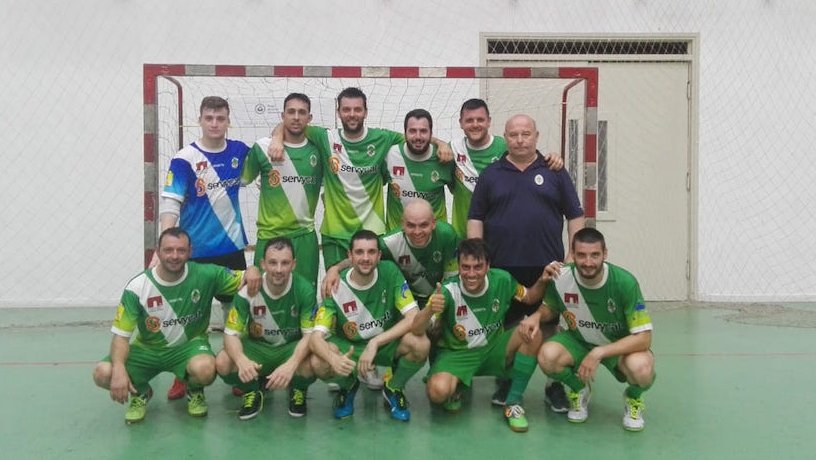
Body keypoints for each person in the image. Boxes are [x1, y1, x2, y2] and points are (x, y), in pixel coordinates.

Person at [468, 113, 584, 409]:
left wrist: (572, 257)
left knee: (549, 328)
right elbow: (475, 218)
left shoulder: (555, 171)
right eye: (513, 134)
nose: (520, 139)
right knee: (507, 328)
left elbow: (575, 216)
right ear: (504, 138)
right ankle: (506, 380)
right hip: (502, 269)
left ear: (536, 136)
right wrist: (479, 259)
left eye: (526, 134)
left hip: (549, 269)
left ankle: (555, 384)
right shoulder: (491, 174)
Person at [267, 87, 453, 270]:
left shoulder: (383, 138)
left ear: (365, 112)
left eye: (357, 109)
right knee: (335, 289)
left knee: (370, 290)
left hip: (372, 234)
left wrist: (441, 143)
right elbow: (291, 125)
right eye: (346, 109)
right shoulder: (326, 137)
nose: (352, 114)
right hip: (335, 233)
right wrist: (276, 138)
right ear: (338, 112)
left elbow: (415, 137)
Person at [157, 96, 260, 400]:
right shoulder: (184, 159)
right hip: (195, 253)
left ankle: (241, 371)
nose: (215, 124)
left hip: (231, 249)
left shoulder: (240, 153)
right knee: (189, 319)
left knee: (238, 315)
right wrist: (165, 245)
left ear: (228, 121)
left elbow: (266, 158)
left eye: (221, 118)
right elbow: (170, 203)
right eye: (209, 118)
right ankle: (183, 375)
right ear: (200, 120)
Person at [92, 228, 246, 424]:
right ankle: (141, 393)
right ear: (158, 251)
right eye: (168, 250)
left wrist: (254, 270)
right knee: (103, 373)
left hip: (189, 347)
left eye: (181, 250)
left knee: (205, 370)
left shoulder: (206, 274)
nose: (175, 256)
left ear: (190, 251)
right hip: (148, 349)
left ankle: (195, 389)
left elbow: (247, 277)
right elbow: (121, 336)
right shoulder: (137, 287)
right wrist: (120, 369)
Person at [412, 238, 557, 433]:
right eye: (466, 267)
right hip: (457, 355)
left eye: (478, 267)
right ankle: (456, 388)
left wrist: (542, 279)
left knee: (532, 333)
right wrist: (429, 310)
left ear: (488, 266)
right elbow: (417, 329)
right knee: (437, 392)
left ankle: (513, 403)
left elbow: (529, 296)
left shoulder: (503, 280)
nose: (471, 274)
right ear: (459, 266)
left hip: (493, 349)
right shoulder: (446, 290)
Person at [519, 228, 656, 431]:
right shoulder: (561, 277)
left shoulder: (624, 283)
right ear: (572, 255)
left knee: (643, 369)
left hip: (614, 345)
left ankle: (633, 398)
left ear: (605, 254)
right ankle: (579, 389)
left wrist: (599, 352)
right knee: (547, 356)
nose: (588, 262)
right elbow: (550, 307)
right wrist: (537, 316)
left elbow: (644, 338)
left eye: (595, 255)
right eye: (581, 255)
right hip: (578, 341)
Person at [309, 230, 430, 421]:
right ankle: (347, 386)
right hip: (350, 348)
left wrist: (375, 343)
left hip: (383, 344)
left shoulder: (389, 271)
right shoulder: (336, 285)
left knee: (420, 344)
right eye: (359, 252)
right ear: (349, 256)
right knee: (318, 362)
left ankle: (393, 387)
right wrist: (334, 360)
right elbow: (315, 338)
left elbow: (412, 317)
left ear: (379, 255)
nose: (366, 258)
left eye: (371, 252)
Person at [215, 237, 317, 420]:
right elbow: (230, 335)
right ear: (262, 264)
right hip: (258, 349)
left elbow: (310, 337)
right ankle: (252, 390)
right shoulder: (247, 291)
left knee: (314, 361)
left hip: (289, 348)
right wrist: (240, 360)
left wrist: (291, 365)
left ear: (293, 264)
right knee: (223, 362)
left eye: (285, 263)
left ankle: (298, 388)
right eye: (273, 263)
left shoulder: (305, 289)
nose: (278, 269)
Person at [241, 93, 323, 290]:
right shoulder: (263, 148)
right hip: (269, 235)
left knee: (305, 296)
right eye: (291, 112)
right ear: (282, 115)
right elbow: (240, 181)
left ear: (309, 119)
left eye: (302, 112)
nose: (296, 117)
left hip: (304, 237)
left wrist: (278, 135)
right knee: (261, 297)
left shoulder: (319, 149)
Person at [450, 99, 563, 238]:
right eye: (469, 120)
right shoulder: (452, 150)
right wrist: (438, 142)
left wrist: (553, 157)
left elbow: (531, 158)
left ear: (489, 121)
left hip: (501, 239)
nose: (475, 124)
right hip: (464, 237)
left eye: (480, 119)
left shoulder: (506, 146)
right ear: (460, 122)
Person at [384, 109, 454, 231]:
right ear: (404, 133)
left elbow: (459, 193)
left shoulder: (444, 158)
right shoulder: (390, 155)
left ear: (431, 133)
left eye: (423, 131)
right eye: (412, 131)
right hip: (397, 239)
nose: (418, 136)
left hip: (434, 239)